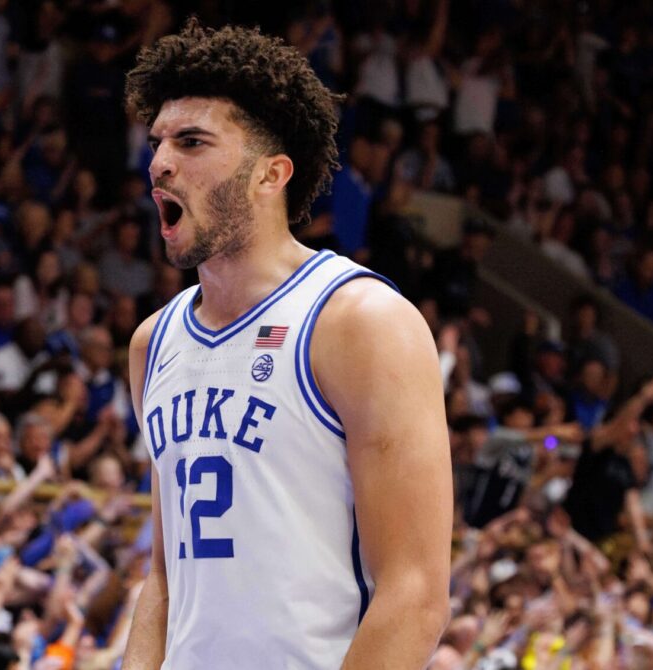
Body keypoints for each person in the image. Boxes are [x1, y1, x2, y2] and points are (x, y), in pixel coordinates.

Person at [121, 20, 452, 669]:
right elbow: (164, 578)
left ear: (270, 175)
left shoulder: (360, 321)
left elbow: (414, 594)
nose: (159, 163)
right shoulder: (151, 344)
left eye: (192, 142)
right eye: (157, 143)